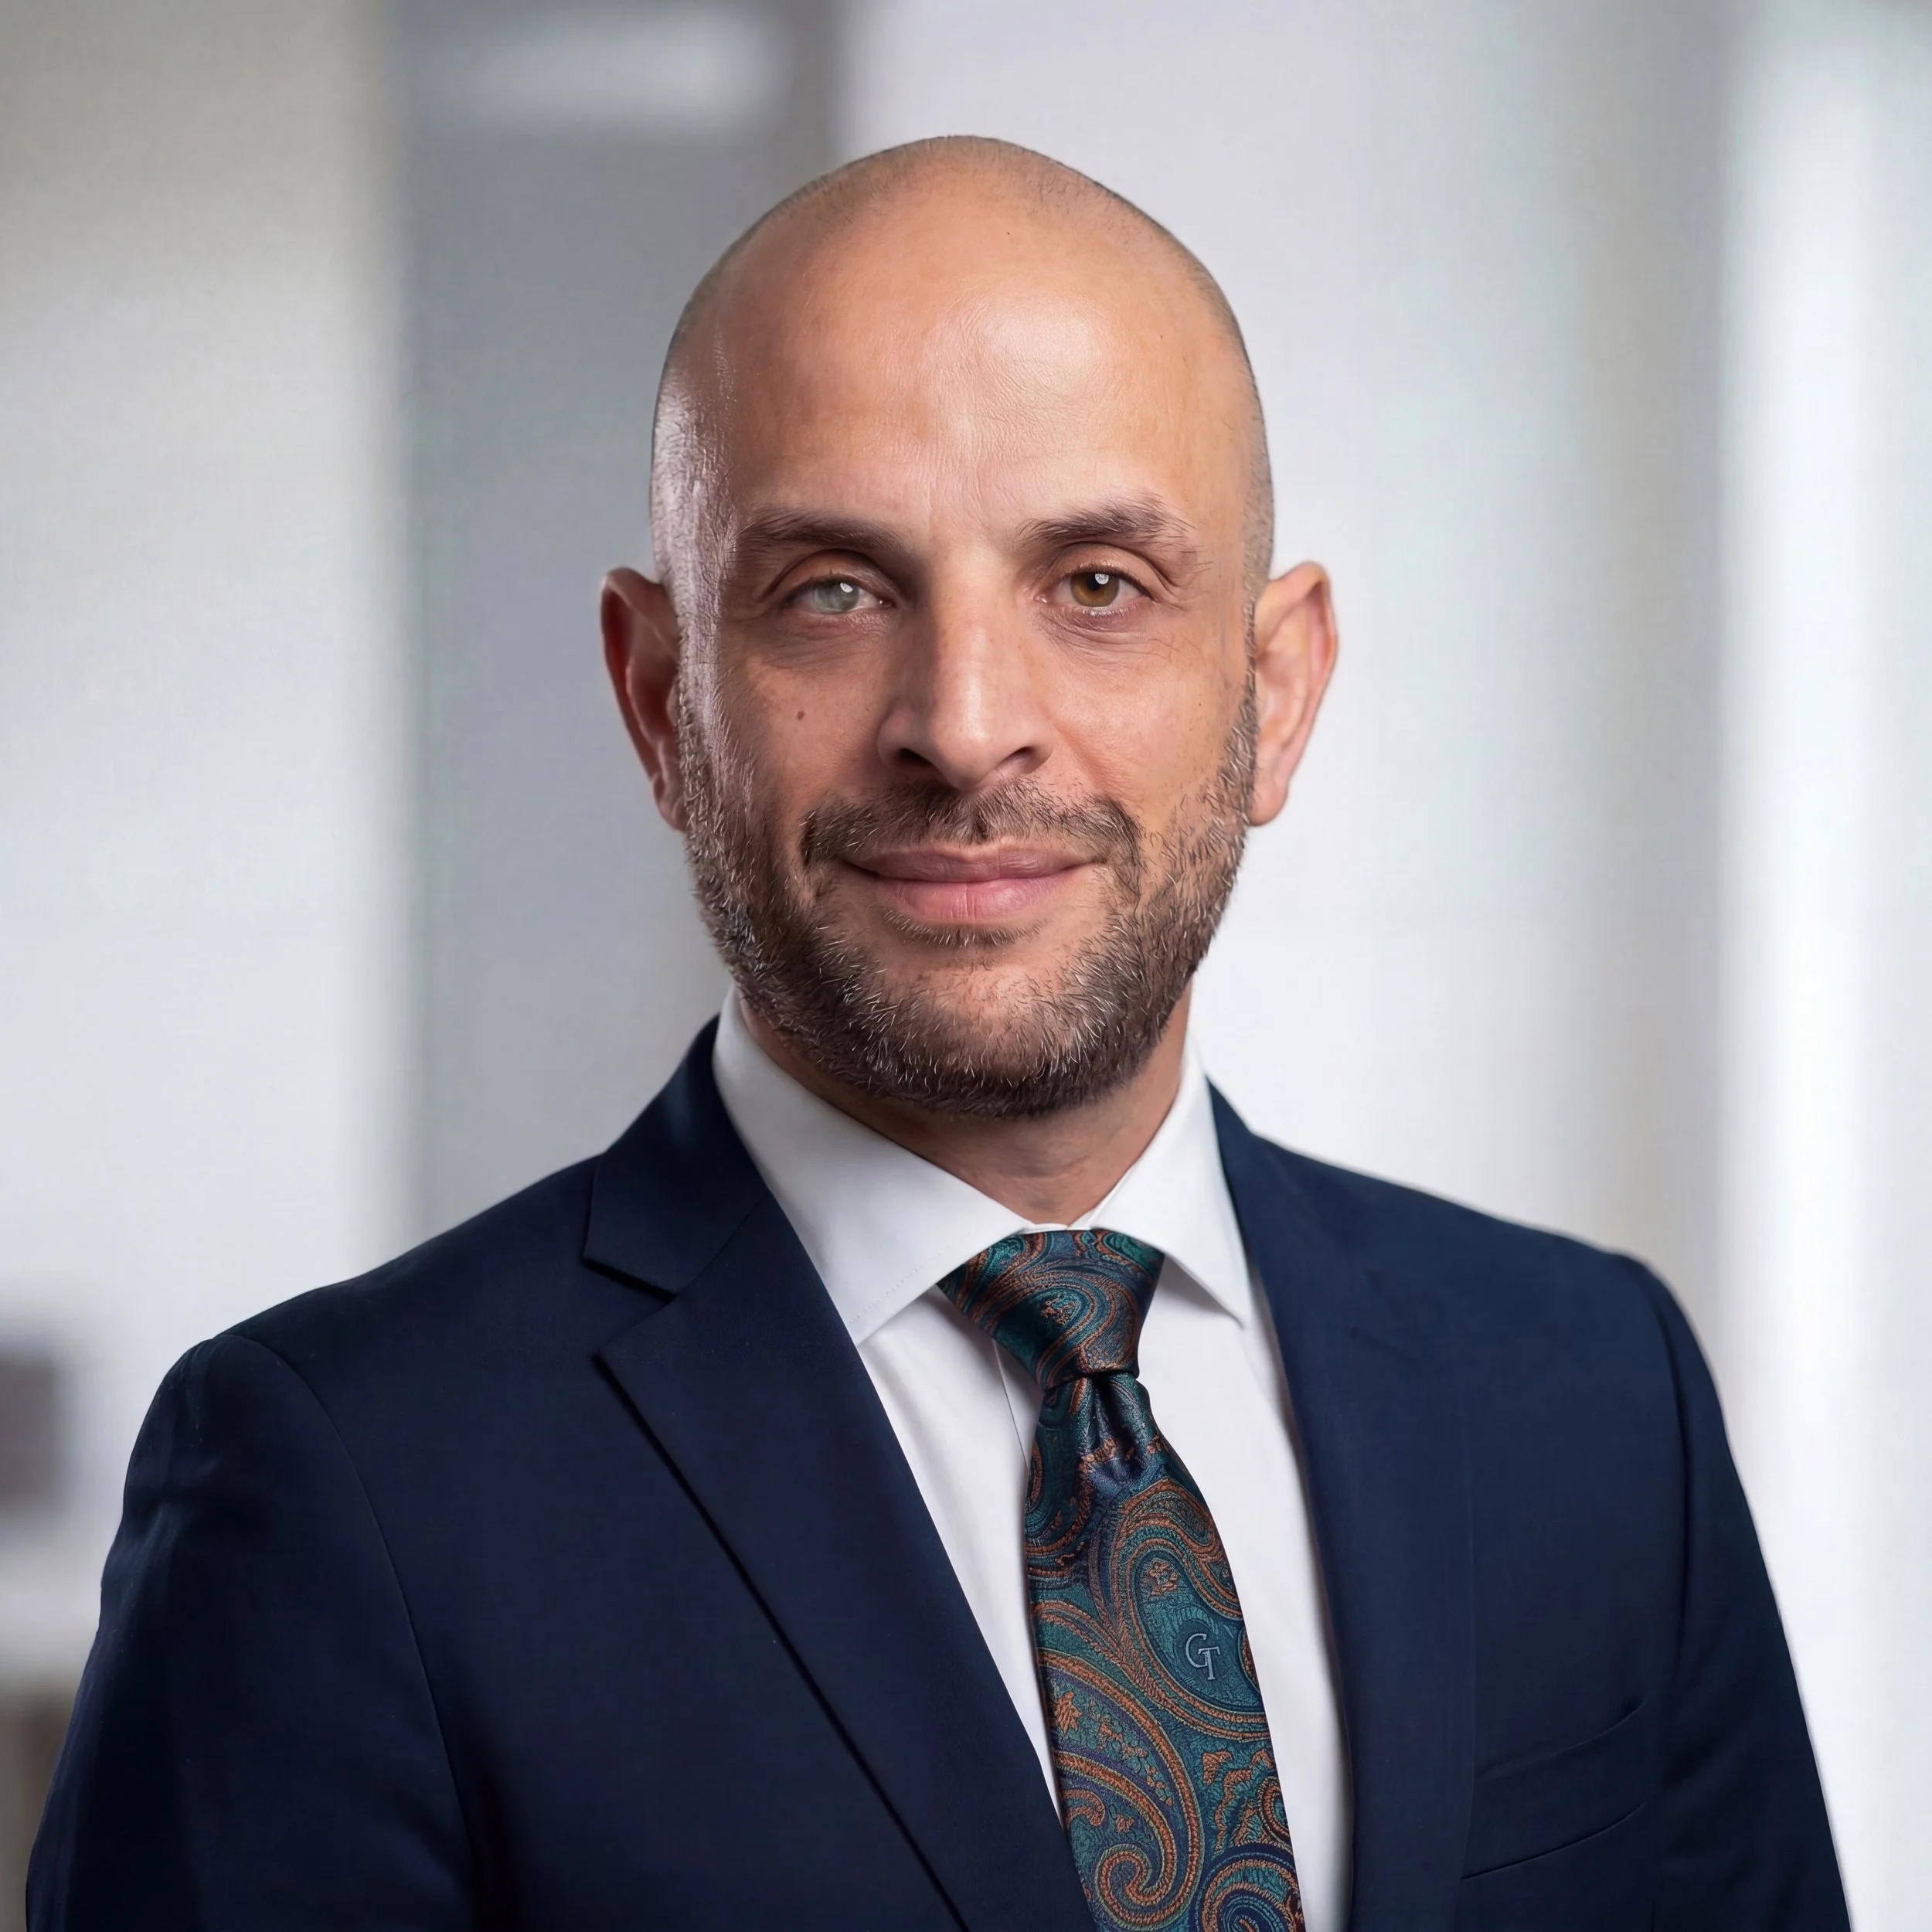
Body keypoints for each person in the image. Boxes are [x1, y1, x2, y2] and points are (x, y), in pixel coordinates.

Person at [30, 138, 1845, 1932]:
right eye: (832, 585)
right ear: (661, 700)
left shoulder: (1595, 1394)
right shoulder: (342, 1482)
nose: (966, 729)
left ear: (1272, 692)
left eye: (1098, 586)